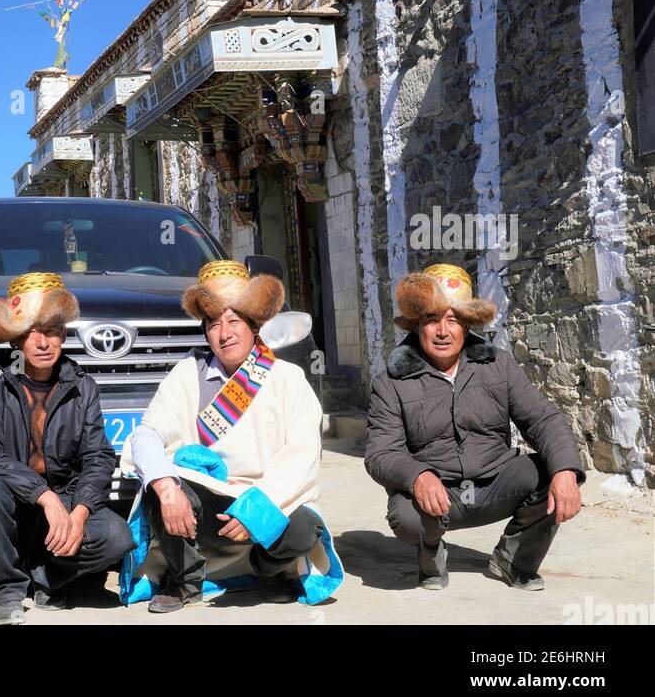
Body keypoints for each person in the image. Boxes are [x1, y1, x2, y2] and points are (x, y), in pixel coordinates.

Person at [120, 261, 344, 612]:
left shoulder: (287, 378)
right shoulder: (187, 374)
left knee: (304, 529)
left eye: (234, 321)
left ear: (255, 326)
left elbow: (302, 455)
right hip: (207, 508)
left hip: (265, 500)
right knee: (159, 485)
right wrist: (164, 485)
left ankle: (267, 569)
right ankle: (184, 580)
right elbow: (146, 436)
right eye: (213, 323)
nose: (224, 333)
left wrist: (255, 510)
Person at [365, 263, 585, 591]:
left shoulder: (498, 365)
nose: (443, 331)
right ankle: (431, 557)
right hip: (438, 495)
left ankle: (514, 560)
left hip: (497, 482)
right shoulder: (391, 382)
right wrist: (418, 476)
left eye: (454, 320)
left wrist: (566, 470)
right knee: (405, 514)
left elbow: (543, 419)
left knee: (549, 471)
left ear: (467, 326)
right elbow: (380, 452)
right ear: (416, 326)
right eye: (432, 319)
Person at [0, 273, 133, 624]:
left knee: (115, 537)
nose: (42, 342)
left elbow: (98, 457)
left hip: (65, 500)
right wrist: (44, 495)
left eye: (51, 331)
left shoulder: (82, 387)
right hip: (13, 501)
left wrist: (80, 510)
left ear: (64, 335)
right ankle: (6, 588)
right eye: (30, 333)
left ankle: (44, 577)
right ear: (15, 339)